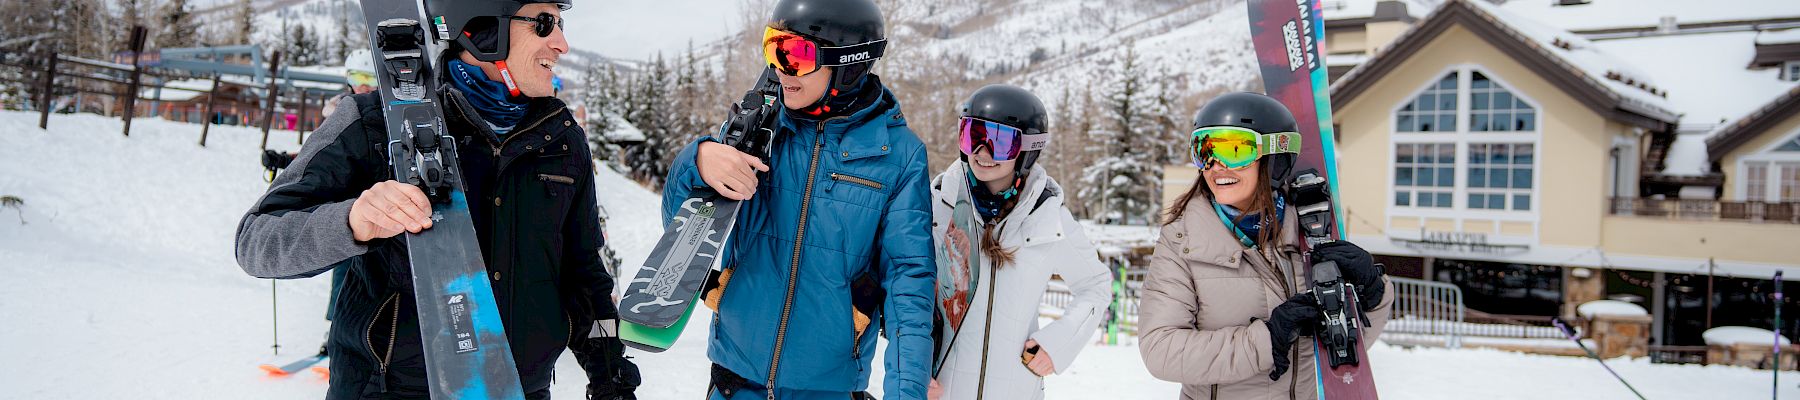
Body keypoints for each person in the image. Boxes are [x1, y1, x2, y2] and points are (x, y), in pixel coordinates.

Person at [233, 0, 639, 398]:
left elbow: (584, 273)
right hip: (389, 389)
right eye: (545, 23)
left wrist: (610, 376)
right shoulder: (373, 124)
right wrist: (351, 221)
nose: (562, 45)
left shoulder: (562, 141)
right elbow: (257, 241)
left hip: (520, 390)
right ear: (484, 26)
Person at [660, 0, 934, 398]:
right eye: (774, 49)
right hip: (735, 381)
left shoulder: (899, 155)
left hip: (827, 387)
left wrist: (907, 392)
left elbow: (910, 283)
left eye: (797, 55)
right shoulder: (754, 130)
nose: (780, 69)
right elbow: (677, 231)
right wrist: (696, 162)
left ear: (849, 63)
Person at [1137, 92, 1394, 399]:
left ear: (1275, 159)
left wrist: (1373, 295)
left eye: (1235, 150)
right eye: (1203, 150)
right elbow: (1160, 350)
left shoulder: (1312, 231)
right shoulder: (1182, 241)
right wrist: (1268, 339)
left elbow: (1349, 342)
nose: (1215, 165)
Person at [924, 85, 1111, 400]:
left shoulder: (1048, 216)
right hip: (940, 391)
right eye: (973, 135)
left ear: (1027, 149)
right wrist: (912, 365)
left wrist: (1058, 343)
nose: (981, 152)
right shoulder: (935, 206)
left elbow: (1096, 285)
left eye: (998, 141)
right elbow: (900, 288)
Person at [321, 49, 379, 120]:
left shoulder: (388, 109)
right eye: (357, 79)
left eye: (370, 80)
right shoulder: (337, 106)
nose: (363, 87)